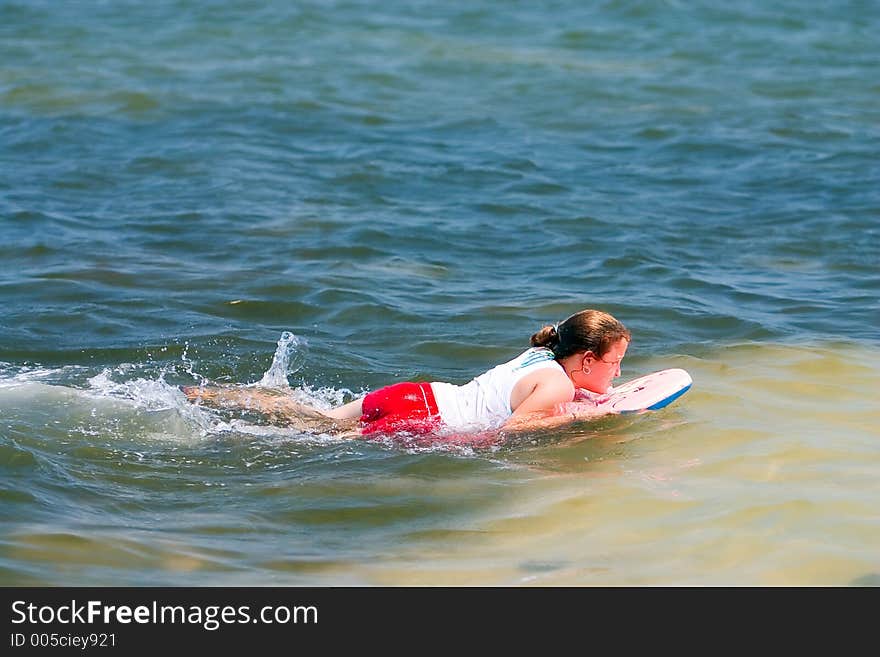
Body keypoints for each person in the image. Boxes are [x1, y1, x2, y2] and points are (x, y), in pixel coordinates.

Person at [183, 309, 630, 441]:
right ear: (587, 360)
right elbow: (516, 429)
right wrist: (583, 418)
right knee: (305, 440)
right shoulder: (556, 384)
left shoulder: (540, 356)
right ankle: (220, 426)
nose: (619, 372)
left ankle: (210, 396)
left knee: (309, 417)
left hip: (415, 393)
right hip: (421, 421)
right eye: (615, 362)